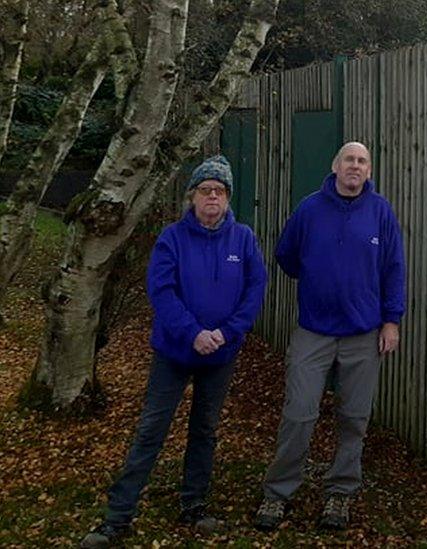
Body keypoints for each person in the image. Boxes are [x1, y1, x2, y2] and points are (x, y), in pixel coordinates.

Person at [80, 155, 268, 548]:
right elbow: (161, 291)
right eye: (205, 190)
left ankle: (194, 504)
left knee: (205, 429)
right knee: (152, 429)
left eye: (219, 191)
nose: (212, 197)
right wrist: (193, 333)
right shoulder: (172, 238)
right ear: (192, 196)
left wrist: (227, 332)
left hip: (220, 353)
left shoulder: (244, 239)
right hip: (174, 352)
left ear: (228, 197)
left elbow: (254, 291)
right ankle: (118, 516)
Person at [254, 141, 405, 532]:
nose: (355, 166)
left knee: (354, 417)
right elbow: (286, 256)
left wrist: (392, 320)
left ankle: (340, 492)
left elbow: (393, 269)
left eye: (362, 161)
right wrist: (320, 280)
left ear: (369, 170)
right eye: (349, 159)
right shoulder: (309, 209)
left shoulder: (381, 212)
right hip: (314, 332)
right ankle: (278, 493)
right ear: (335, 165)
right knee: (299, 413)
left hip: (363, 334)